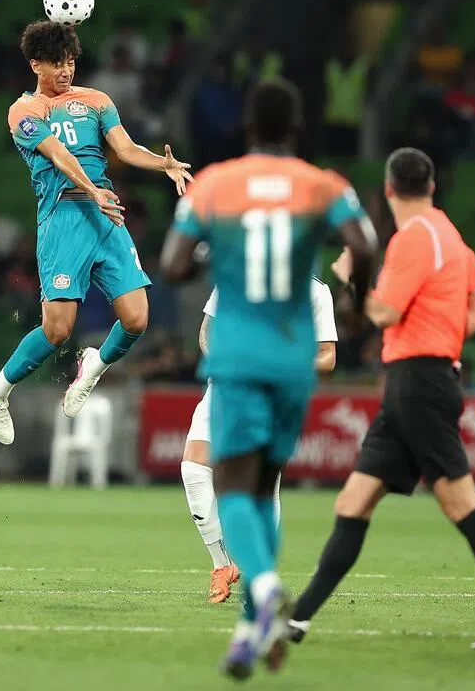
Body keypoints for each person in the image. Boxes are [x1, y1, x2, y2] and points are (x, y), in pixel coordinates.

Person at [160, 79, 377, 679]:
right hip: (290, 364)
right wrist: (360, 301)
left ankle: (262, 589)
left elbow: (174, 264)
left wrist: (216, 251)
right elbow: (365, 243)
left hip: (237, 357)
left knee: (234, 485)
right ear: (298, 127)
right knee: (264, 486)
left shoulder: (215, 185)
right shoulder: (323, 184)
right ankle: (256, 616)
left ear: (247, 128)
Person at [287, 148, 475, 651]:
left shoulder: (414, 238)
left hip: (420, 384)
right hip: (418, 380)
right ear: (433, 186)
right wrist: (446, 340)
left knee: (460, 502)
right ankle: (297, 620)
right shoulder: (448, 233)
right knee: (354, 500)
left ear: (388, 189)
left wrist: (351, 277)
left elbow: (380, 314)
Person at [0, 20, 191, 446]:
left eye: (71, 61)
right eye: (56, 62)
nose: (65, 70)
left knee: (137, 318)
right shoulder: (24, 111)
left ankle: (93, 365)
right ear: (35, 63)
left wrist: (161, 164)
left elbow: (125, 149)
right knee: (57, 330)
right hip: (63, 219)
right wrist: (93, 189)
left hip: (104, 215)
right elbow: (56, 153)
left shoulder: (96, 100)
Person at [182, 277, 338, 605]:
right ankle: (222, 565)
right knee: (193, 470)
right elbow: (207, 331)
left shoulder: (314, 290)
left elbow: (327, 356)